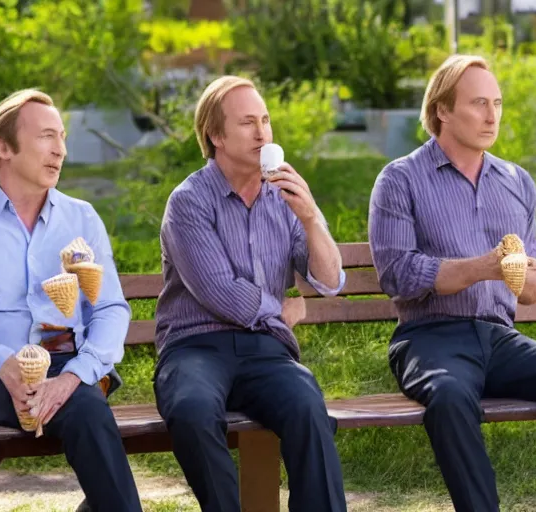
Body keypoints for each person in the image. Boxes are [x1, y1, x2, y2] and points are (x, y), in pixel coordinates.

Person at [367, 54, 536, 512]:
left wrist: (532, 279)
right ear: (443, 110)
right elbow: (398, 276)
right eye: (479, 103)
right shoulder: (400, 179)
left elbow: (530, 283)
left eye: (498, 103)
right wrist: (482, 267)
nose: (492, 116)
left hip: (501, 338)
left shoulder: (516, 181)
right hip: (430, 339)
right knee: (448, 398)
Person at [0, 89, 142, 511]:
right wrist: (9, 366)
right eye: (45, 136)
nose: (60, 149)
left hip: (69, 371)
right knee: (89, 415)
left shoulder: (81, 218)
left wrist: (74, 375)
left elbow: (111, 308)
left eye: (61, 137)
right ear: (4, 147)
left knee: (84, 408)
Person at [153, 75, 348, 512]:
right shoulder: (189, 202)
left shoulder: (284, 198)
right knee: (192, 410)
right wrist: (278, 310)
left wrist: (312, 217)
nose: (262, 132)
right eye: (247, 123)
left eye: (265, 120)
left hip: (264, 350)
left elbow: (329, 281)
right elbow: (221, 292)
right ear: (216, 135)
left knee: (307, 406)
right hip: (194, 347)